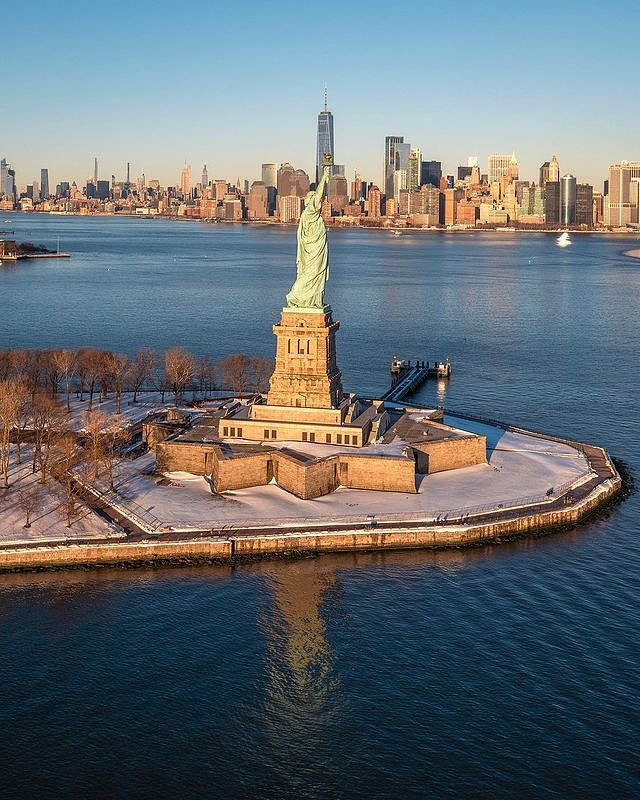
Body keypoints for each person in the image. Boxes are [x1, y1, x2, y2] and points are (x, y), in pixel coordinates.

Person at [286, 153, 332, 309]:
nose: (317, 200)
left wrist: (326, 174)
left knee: (313, 273)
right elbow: (320, 193)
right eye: (313, 198)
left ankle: (313, 300)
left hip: (314, 247)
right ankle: (296, 296)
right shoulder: (310, 212)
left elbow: (321, 195)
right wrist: (325, 172)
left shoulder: (308, 215)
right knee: (310, 273)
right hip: (312, 250)